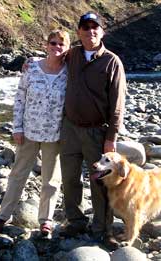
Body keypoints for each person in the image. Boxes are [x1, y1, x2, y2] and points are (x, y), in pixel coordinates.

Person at [0, 29, 70, 237]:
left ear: (68, 48)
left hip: (55, 134)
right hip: (28, 131)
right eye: (53, 43)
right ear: (47, 45)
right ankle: (3, 216)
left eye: (61, 44)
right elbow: (20, 98)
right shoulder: (32, 68)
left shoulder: (70, 72)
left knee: (51, 180)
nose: (57, 47)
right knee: (18, 175)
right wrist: (17, 127)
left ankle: (46, 220)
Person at [59, 11, 126, 249]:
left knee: (100, 183)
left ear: (102, 31)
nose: (91, 31)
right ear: (79, 32)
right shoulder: (73, 55)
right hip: (69, 129)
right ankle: (75, 220)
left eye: (95, 27)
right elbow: (52, 57)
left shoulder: (111, 61)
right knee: (69, 178)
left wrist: (111, 139)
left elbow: (118, 105)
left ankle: (103, 228)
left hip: (97, 131)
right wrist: (30, 63)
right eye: (85, 27)